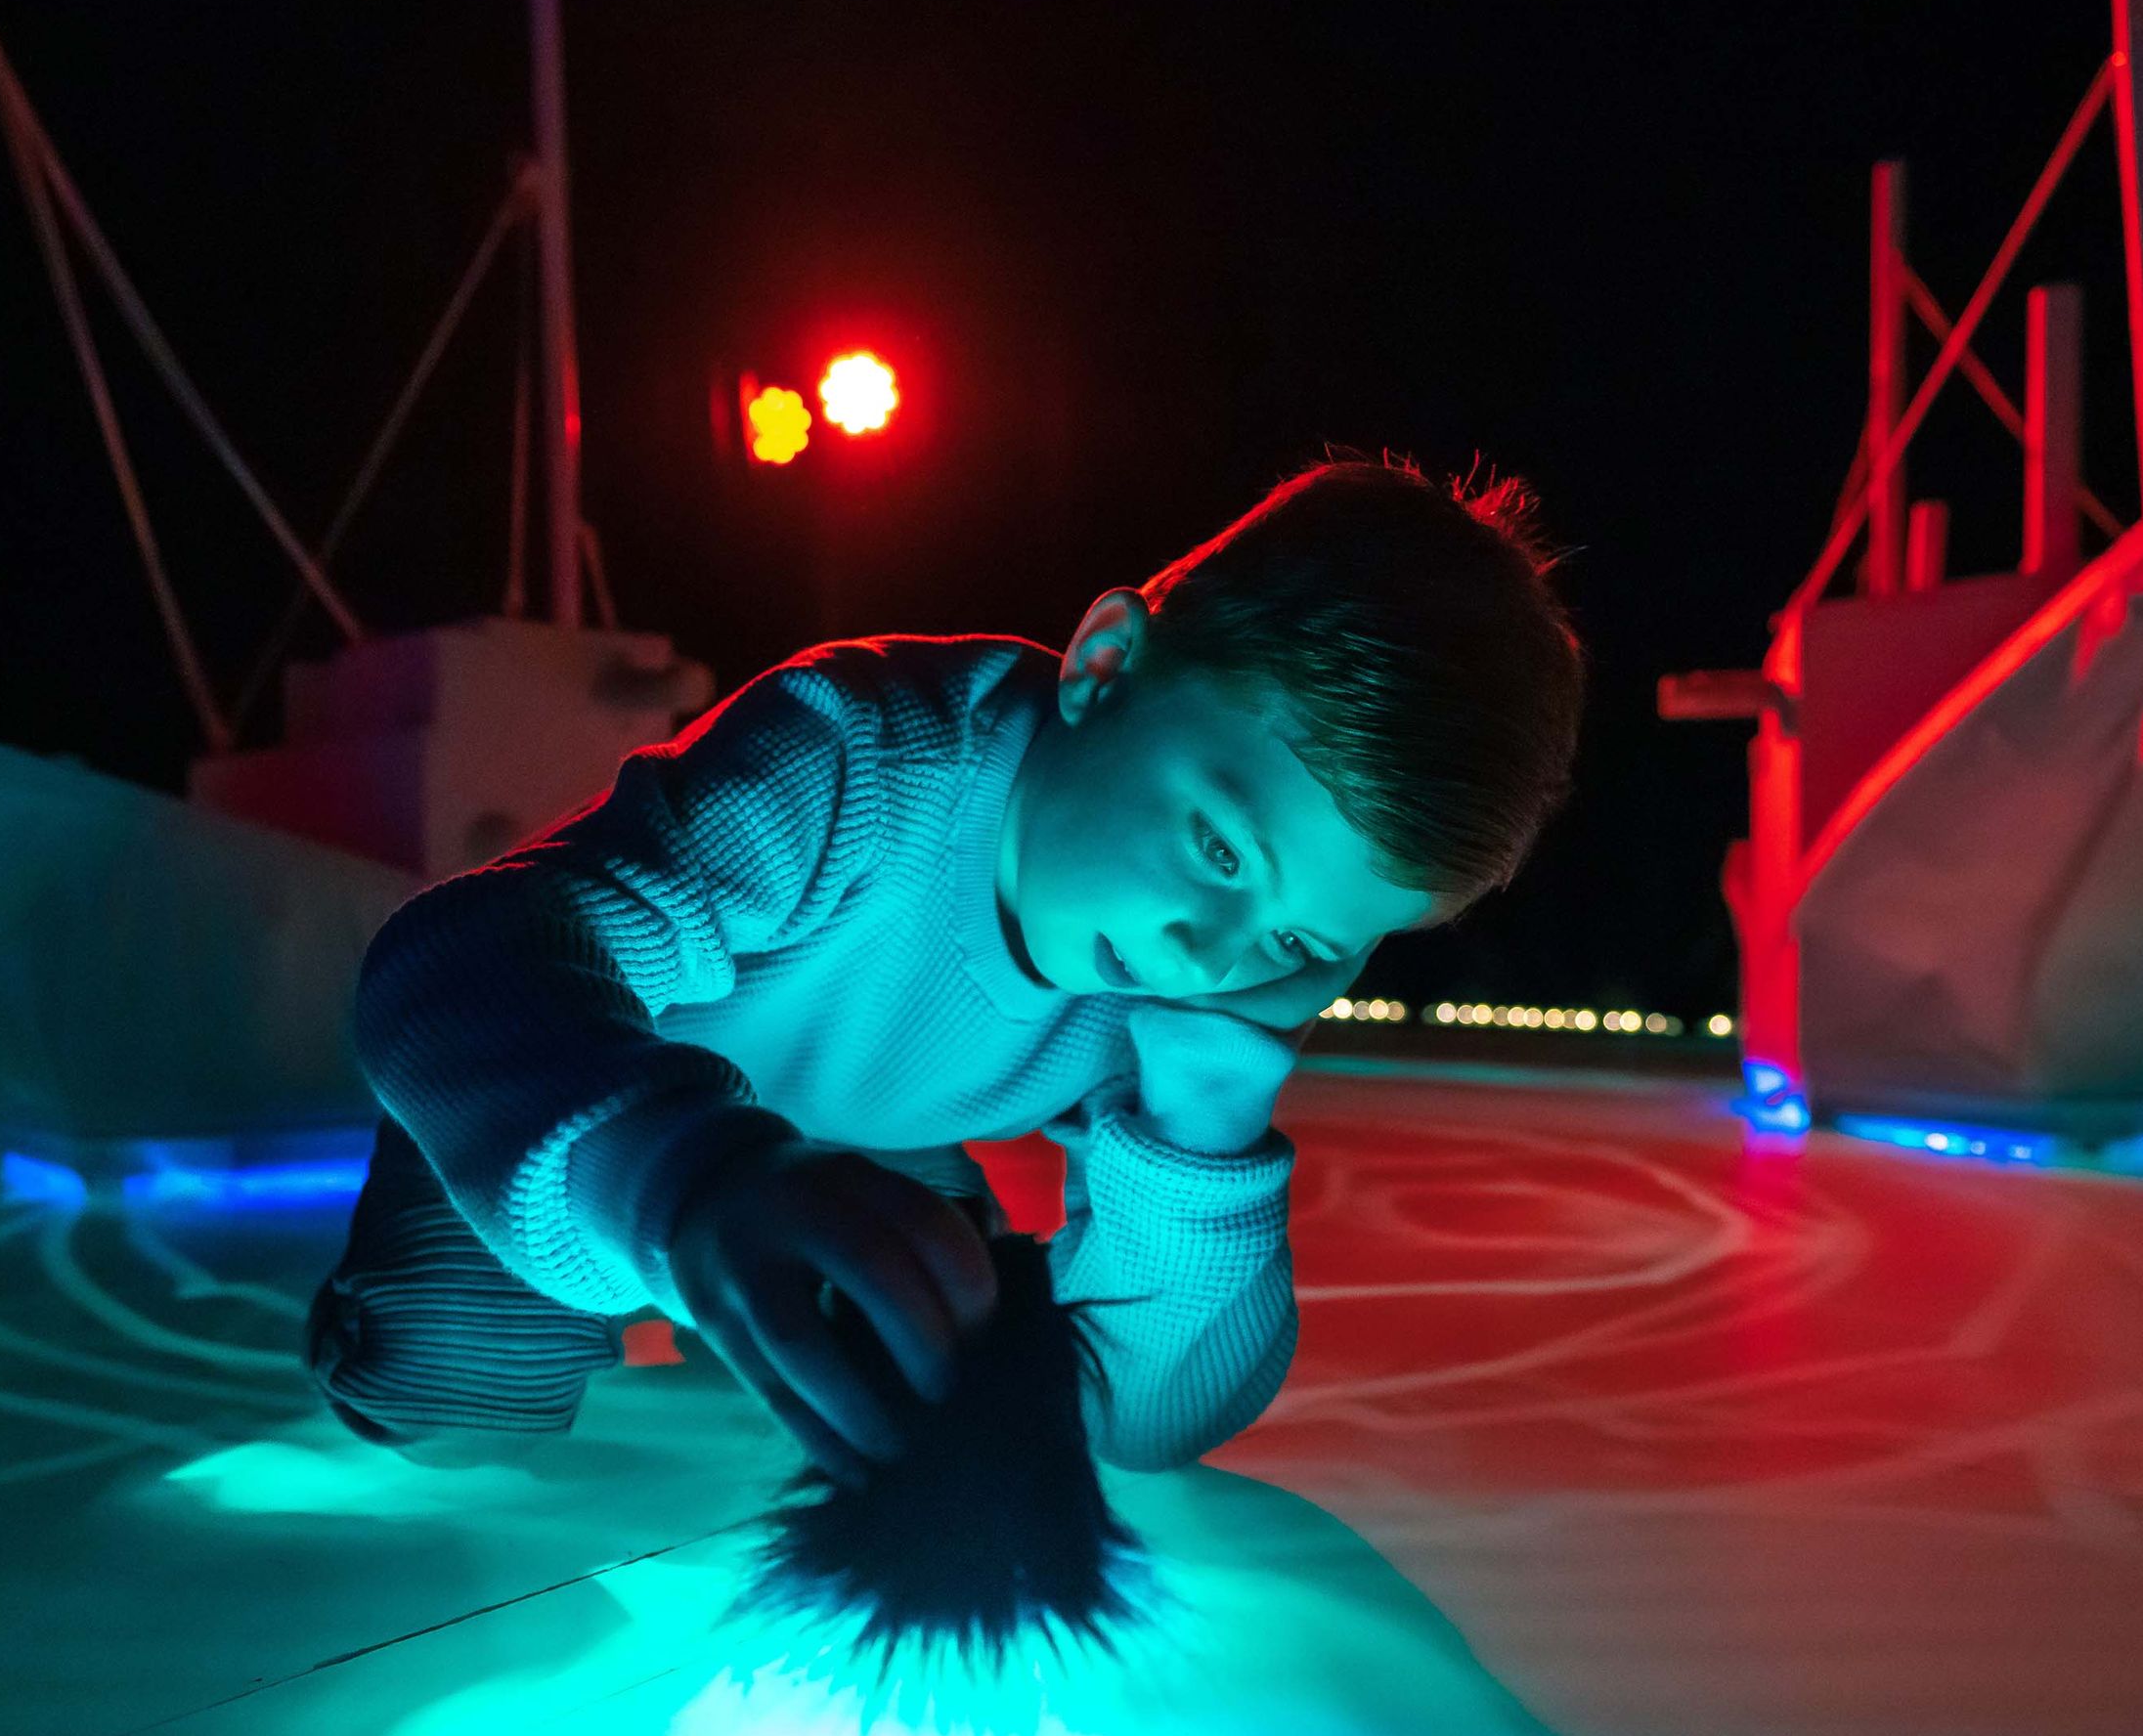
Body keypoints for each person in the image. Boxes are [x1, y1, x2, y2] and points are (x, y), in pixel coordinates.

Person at [304, 451, 1585, 1485]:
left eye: (1303, 942)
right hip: (572, 1071)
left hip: (863, 1142)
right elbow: (455, 955)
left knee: (953, 1390)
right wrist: (691, 1183)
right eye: (1217, 847)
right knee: (450, 1395)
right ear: (1105, 666)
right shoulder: (858, 761)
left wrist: (1205, 1126)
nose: (1212, 956)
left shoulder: (1172, 987)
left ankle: (748, 1256)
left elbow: (1145, 1419)